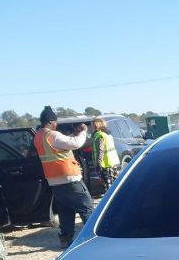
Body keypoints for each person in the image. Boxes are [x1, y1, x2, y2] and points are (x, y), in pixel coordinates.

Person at [32, 106, 94, 248]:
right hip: (70, 179)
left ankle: (66, 238)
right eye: (55, 122)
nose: (56, 125)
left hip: (54, 181)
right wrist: (83, 132)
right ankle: (92, 237)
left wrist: (73, 133)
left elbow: (61, 144)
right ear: (51, 122)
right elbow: (75, 143)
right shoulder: (52, 135)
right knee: (87, 207)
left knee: (66, 211)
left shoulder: (38, 137)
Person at [91, 118, 120, 194]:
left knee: (108, 186)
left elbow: (100, 150)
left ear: (96, 125)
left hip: (105, 163)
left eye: (92, 124)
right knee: (113, 184)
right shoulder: (107, 134)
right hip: (112, 162)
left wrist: (98, 163)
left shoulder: (99, 135)